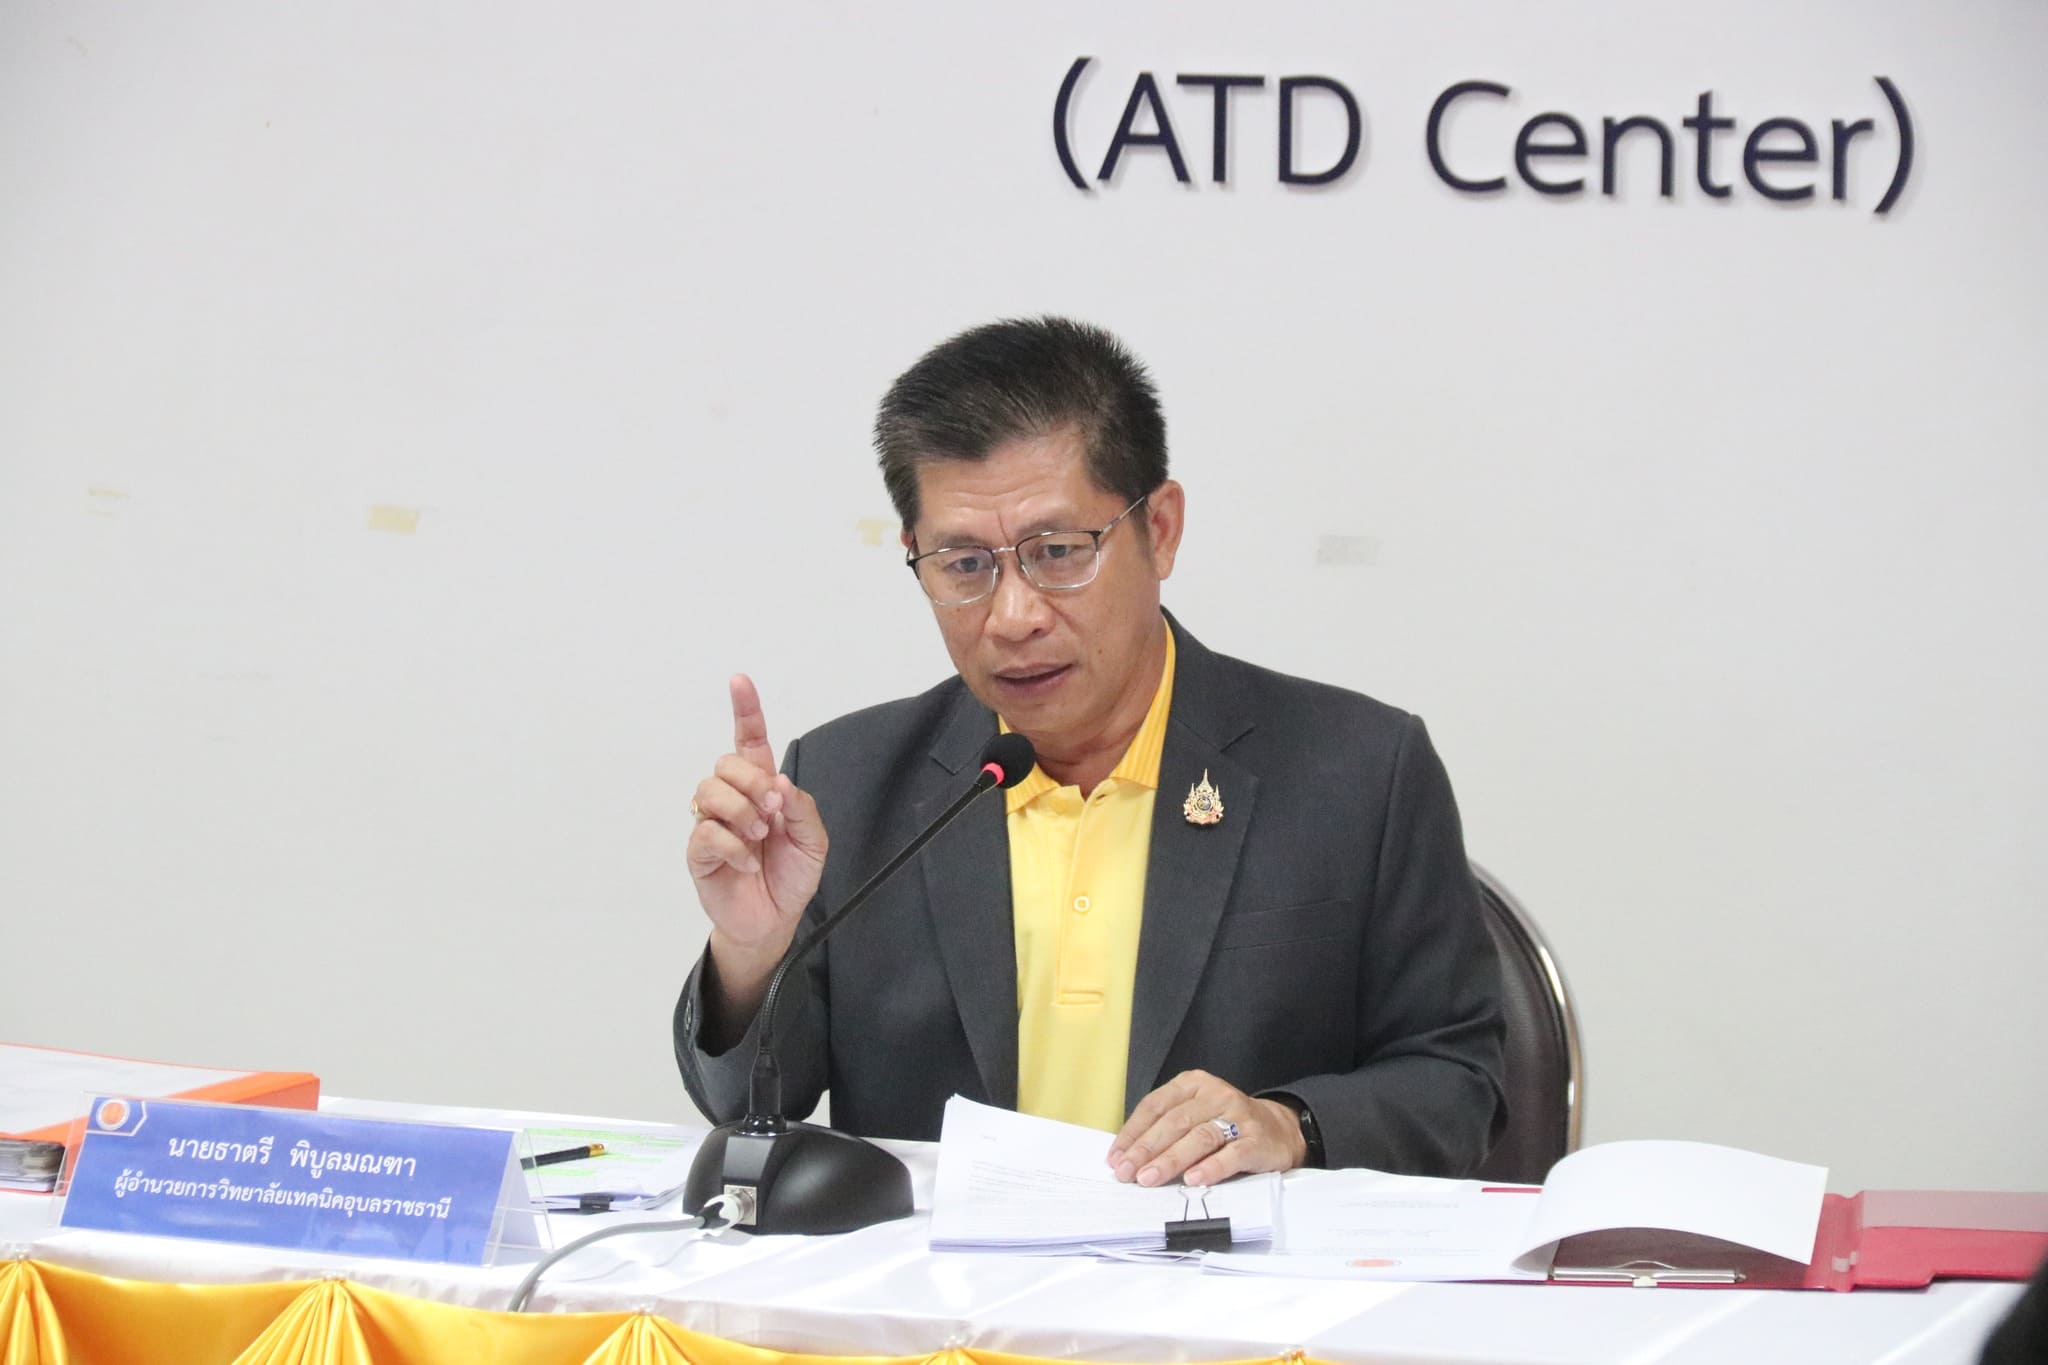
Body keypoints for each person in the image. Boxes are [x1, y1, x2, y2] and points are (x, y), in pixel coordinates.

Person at [674, 317, 1506, 1186]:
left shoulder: (1358, 773)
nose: (1014, 616)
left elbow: (1460, 1082)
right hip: (936, 1274)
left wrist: (1289, 1123)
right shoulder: (847, 782)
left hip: (1225, 1266)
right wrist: (752, 952)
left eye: (1059, 552)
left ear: (1162, 529)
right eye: (965, 565)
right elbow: (743, 1103)